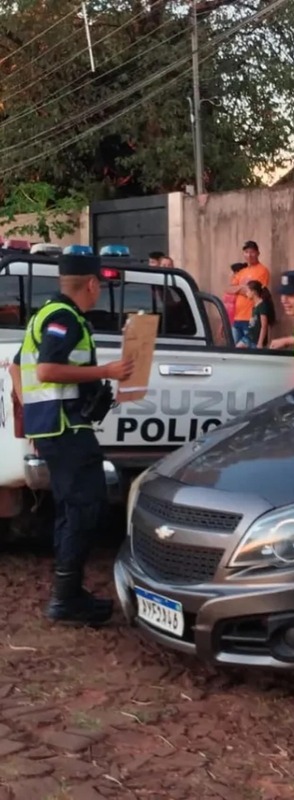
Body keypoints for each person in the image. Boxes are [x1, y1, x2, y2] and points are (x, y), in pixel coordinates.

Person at [9, 252, 133, 626]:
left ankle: (69, 593)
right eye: (100, 286)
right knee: (86, 505)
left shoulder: (47, 312)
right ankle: (65, 598)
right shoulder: (64, 318)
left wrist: (31, 417)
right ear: (92, 284)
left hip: (55, 428)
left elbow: (17, 366)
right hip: (66, 429)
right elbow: (45, 369)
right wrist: (106, 370)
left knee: (72, 507)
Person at [227, 240, 270, 344]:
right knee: (235, 353)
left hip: (251, 318)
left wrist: (238, 288)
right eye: (246, 252)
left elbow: (256, 291)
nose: (249, 255)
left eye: (252, 252)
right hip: (237, 318)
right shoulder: (242, 271)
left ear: (258, 253)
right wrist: (244, 288)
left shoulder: (262, 270)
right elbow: (229, 289)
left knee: (250, 351)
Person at [236, 280, 271, 349]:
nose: (246, 293)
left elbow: (264, 326)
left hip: (256, 340)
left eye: (248, 291)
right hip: (249, 337)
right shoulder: (255, 305)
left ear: (253, 292)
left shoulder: (262, 306)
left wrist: (260, 342)